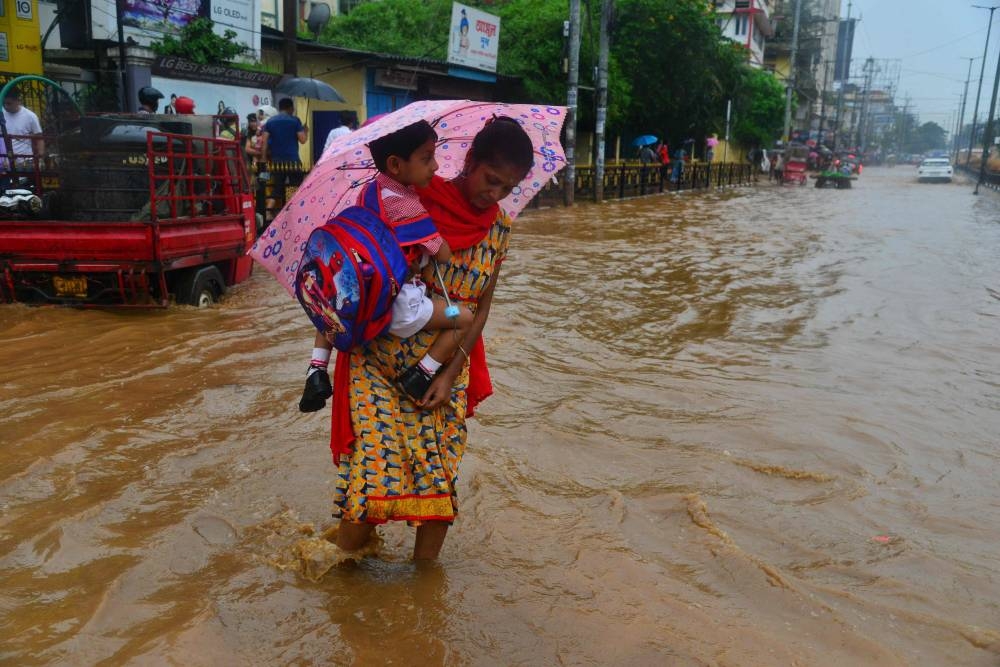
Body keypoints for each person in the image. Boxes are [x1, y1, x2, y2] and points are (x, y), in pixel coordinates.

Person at [331, 117, 534, 561]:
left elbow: (481, 307)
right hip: (380, 363)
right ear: (470, 162)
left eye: (508, 187)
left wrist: (450, 374)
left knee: (438, 479)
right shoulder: (412, 198)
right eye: (491, 179)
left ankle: (424, 591)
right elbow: (365, 272)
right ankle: (337, 576)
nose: (495, 194)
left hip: (444, 369)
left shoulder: (500, 228)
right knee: (371, 476)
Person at [300, 120, 475, 412]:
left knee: (333, 298)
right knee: (464, 317)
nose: (435, 165)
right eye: (426, 157)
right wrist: (433, 233)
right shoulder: (407, 206)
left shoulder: (367, 193)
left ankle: (317, 368)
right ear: (395, 164)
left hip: (360, 297)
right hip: (399, 306)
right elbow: (442, 254)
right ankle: (423, 373)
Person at [260, 97, 308, 218]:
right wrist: (305, 131)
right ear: (290, 108)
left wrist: (263, 158)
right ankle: (290, 214)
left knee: (277, 188)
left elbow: (264, 142)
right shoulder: (295, 121)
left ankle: (267, 211)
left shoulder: (270, 122)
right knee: (294, 187)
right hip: (293, 161)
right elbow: (303, 140)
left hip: (277, 161)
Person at [2, 88, 44, 168]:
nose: (6, 106)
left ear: (18, 101)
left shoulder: (30, 116)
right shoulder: (1, 114)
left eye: (9, 103)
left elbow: (39, 138)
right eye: (4, 103)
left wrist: (40, 159)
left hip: (25, 164)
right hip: (3, 164)